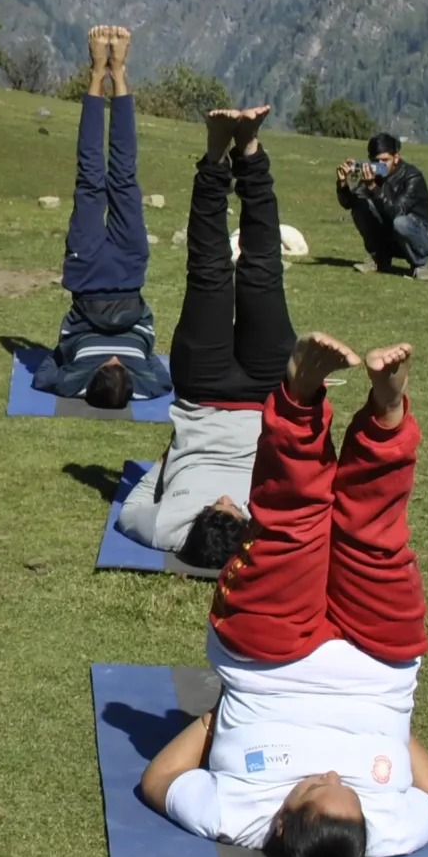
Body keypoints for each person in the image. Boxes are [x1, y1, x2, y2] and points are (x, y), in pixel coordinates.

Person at [138, 337, 428, 857]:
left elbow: (158, 780)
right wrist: (396, 730)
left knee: (289, 528)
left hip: (268, 656)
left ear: (282, 823)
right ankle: (387, 412)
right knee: (374, 537)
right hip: (379, 661)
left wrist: (216, 720)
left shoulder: (237, 817)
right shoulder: (389, 832)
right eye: (348, 788)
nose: (331, 773)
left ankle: (300, 398)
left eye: (313, 786)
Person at [118, 105, 290, 570]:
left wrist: (162, 467)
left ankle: (215, 154)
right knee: (262, 273)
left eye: (214, 507)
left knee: (210, 273)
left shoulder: (166, 528)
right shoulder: (267, 531)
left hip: (202, 390)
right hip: (264, 393)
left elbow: (129, 513)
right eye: (234, 508)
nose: (225, 498)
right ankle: (249, 150)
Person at [33, 26, 172, 410]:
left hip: (125, 272)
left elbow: (162, 377)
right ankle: (104, 72)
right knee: (94, 178)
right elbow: (44, 374)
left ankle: (113, 72)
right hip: (91, 273)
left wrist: (78, 375)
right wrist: (69, 366)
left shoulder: (142, 382)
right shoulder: (76, 379)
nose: (113, 360)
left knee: (119, 177)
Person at [337, 131, 428, 281]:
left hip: (420, 237)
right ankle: (380, 259)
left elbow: (397, 212)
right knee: (361, 207)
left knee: (400, 222)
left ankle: (420, 265)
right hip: (392, 236)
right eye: (377, 161)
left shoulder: (412, 177)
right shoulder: (372, 175)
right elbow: (350, 204)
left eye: (385, 160)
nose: (381, 165)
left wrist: (373, 187)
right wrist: (343, 183)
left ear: (396, 158)